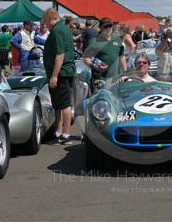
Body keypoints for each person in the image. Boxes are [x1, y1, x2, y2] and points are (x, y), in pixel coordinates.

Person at [43, 8, 76, 145]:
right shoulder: (64, 28)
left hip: (61, 73)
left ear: (51, 18)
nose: (44, 23)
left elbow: (60, 54)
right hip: (63, 72)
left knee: (64, 104)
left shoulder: (57, 30)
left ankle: (66, 133)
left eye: (45, 20)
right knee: (58, 104)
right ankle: (58, 131)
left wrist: (54, 75)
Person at [83, 17, 127, 85]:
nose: (108, 28)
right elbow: (86, 59)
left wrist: (125, 72)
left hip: (115, 79)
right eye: (105, 26)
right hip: (100, 80)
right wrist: (95, 65)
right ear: (100, 28)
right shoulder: (94, 41)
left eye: (110, 26)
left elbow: (121, 56)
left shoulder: (117, 39)